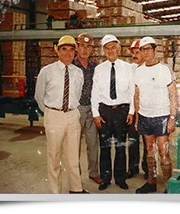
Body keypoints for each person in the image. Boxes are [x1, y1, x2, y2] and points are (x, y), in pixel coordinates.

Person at [34, 35, 89, 194]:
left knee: (73, 157)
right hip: (54, 115)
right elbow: (39, 96)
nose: (68, 53)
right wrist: (51, 113)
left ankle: (76, 189)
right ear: (57, 50)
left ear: (75, 52)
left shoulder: (78, 72)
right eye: (64, 49)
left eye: (71, 50)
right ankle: (55, 192)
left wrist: (71, 111)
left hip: (73, 115)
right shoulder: (47, 71)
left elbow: (77, 95)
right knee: (54, 157)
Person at [134, 36, 179, 194]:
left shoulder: (164, 69)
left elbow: (173, 95)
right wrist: (138, 119)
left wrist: (172, 118)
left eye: (148, 49)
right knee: (149, 151)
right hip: (145, 117)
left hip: (162, 117)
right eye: (142, 49)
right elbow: (137, 96)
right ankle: (151, 182)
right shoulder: (138, 71)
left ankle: (169, 186)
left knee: (163, 152)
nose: (145, 52)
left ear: (155, 50)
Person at [91, 34, 135, 191]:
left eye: (113, 47)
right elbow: (94, 93)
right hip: (104, 112)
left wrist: (131, 112)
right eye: (107, 48)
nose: (110, 50)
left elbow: (132, 92)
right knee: (104, 147)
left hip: (121, 111)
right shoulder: (99, 69)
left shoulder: (128, 68)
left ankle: (120, 178)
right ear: (104, 51)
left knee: (120, 146)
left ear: (119, 49)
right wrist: (95, 113)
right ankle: (105, 178)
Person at [73, 33, 101, 185]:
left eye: (88, 46)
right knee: (74, 145)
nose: (84, 49)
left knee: (92, 143)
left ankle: (94, 172)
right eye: (81, 46)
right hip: (76, 110)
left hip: (91, 109)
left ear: (92, 49)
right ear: (77, 47)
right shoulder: (70, 65)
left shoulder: (94, 67)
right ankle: (75, 175)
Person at [126, 39, 148, 180]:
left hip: (147, 112)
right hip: (133, 111)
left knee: (147, 142)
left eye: (137, 52)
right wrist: (130, 111)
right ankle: (132, 168)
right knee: (132, 141)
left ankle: (147, 169)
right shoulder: (130, 69)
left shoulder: (150, 69)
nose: (134, 55)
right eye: (133, 53)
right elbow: (129, 92)